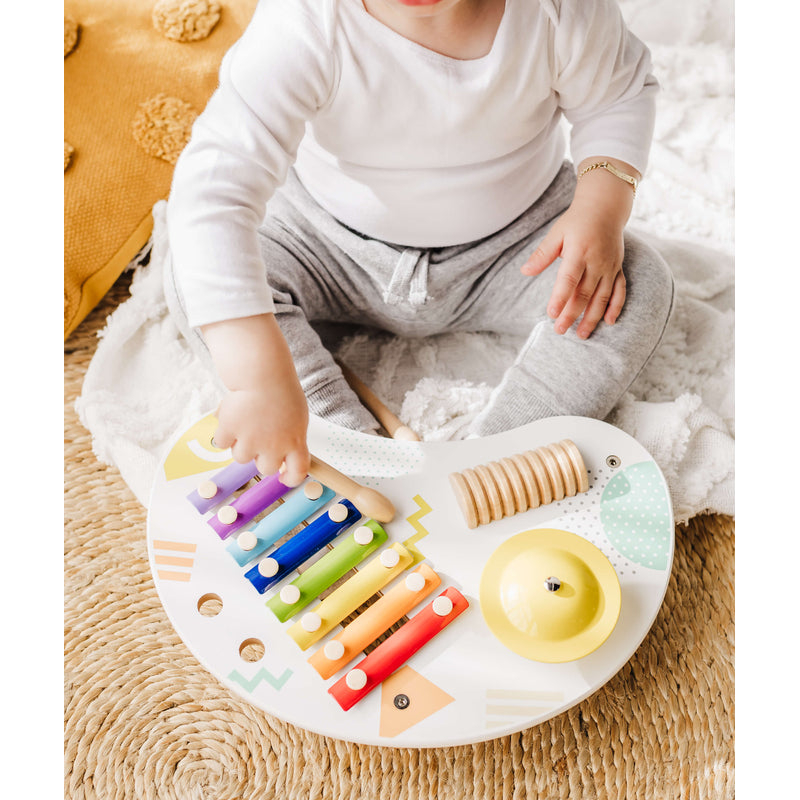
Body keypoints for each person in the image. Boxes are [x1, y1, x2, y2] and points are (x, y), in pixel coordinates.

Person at [165, 0, 675, 487]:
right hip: (327, 244)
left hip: (514, 246)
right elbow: (214, 190)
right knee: (201, 271)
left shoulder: (560, 12)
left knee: (633, 285)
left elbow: (618, 97)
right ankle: (348, 443)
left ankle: (493, 457)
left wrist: (599, 208)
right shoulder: (302, 25)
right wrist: (259, 379)